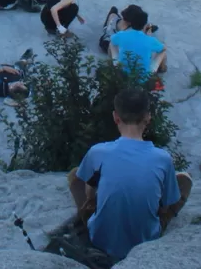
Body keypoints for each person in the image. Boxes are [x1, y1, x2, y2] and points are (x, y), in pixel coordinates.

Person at [68, 87, 191, 260]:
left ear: (115, 117)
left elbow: (89, 193)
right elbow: (163, 207)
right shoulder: (163, 159)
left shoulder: (98, 152)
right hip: (145, 242)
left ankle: (92, 219)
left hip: (99, 240)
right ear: (147, 117)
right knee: (185, 180)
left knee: (75, 175)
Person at [110, 5, 167, 76]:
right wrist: (148, 37)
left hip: (122, 74)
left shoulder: (122, 34)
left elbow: (112, 40)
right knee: (163, 50)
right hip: (144, 78)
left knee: (112, 43)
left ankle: (114, 64)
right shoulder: (150, 40)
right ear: (144, 25)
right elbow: (163, 48)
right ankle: (161, 67)